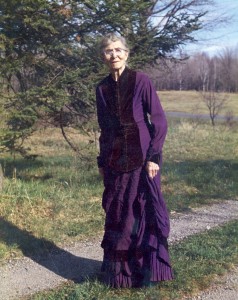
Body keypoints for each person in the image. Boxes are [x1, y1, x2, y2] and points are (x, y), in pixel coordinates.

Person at [96, 33, 173, 288]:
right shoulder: (102, 88)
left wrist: (153, 157)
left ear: (126, 54)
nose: (114, 55)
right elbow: (104, 128)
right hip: (115, 161)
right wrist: (101, 161)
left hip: (143, 159)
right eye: (109, 51)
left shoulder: (141, 80)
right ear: (103, 56)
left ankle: (144, 274)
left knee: (141, 213)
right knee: (118, 214)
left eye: (118, 50)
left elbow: (159, 120)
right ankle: (119, 276)